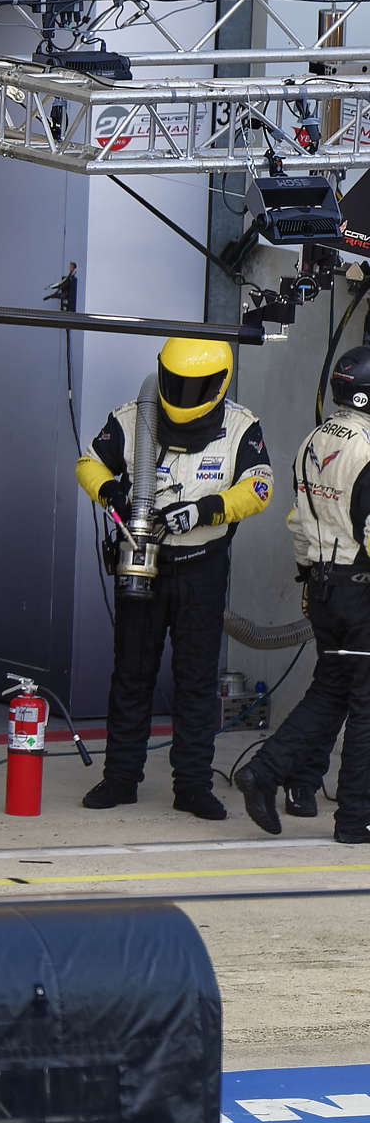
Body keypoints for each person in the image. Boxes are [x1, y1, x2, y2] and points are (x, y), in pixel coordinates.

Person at [75, 337, 270, 819]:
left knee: (197, 681)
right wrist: (113, 494)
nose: (182, 394)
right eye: (175, 384)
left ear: (219, 384)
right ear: (161, 375)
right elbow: (88, 463)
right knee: (131, 674)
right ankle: (120, 778)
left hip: (202, 566)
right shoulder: (132, 417)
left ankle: (193, 787)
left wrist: (206, 510)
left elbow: (260, 487)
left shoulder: (241, 427)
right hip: (143, 562)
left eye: (194, 387)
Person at [235, 347, 370, 839]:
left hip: (321, 584)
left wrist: (312, 580)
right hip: (360, 590)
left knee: (331, 691)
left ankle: (263, 773)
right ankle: (357, 819)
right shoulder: (369, 448)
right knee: (365, 706)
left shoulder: (314, 438)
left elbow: (299, 521)